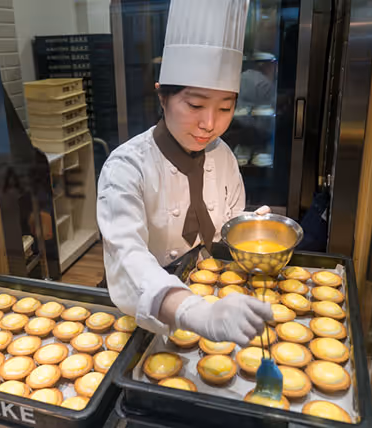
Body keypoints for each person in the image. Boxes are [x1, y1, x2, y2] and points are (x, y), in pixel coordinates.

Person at [97, 0, 274, 345]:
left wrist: (247, 229)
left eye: (225, 108)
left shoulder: (222, 155)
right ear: (162, 97)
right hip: (142, 321)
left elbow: (223, 230)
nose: (210, 124)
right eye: (195, 105)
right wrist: (194, 312)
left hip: (214, 303)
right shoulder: (126, 167)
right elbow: (129, 257)